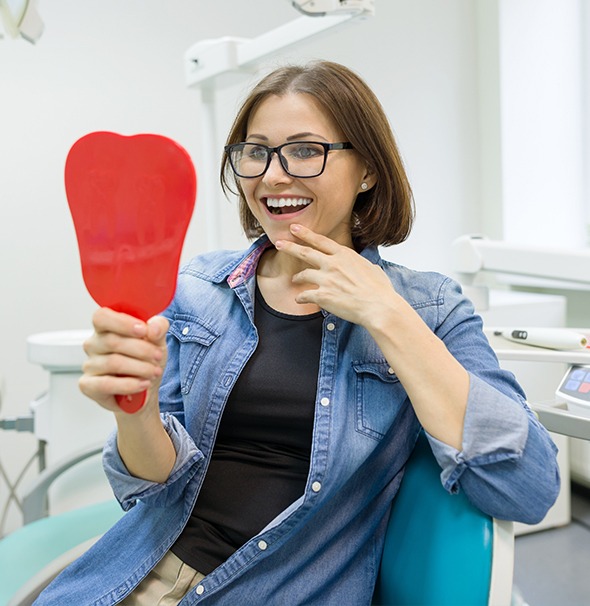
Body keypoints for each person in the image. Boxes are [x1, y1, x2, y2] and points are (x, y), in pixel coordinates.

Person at [35, 60, 559, 606]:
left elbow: (528, 486)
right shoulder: (195, 290)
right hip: (132, 577)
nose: (273, 175)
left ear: (368, 171)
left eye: (306, 150)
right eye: (255, 151)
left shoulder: (430, 308)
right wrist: (133, 411)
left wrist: (387, 313)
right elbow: (152, 486)